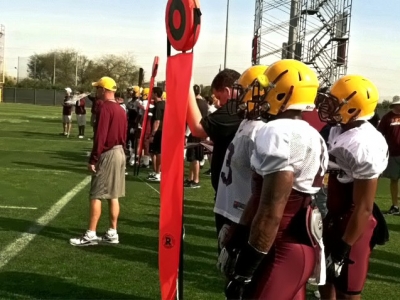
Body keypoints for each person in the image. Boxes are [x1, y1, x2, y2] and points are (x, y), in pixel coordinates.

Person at [223, 59, 328, 300]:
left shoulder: (277, 131)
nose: (262, 93)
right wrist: (239, 234)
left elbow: (271, 210)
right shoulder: (311, 132)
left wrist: (243, 273)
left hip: (279, 248)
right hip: (299, 245)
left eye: (268, 87)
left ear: (286, 91)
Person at [316, 75, 388, 299]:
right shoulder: (341, 129)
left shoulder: (363, 143)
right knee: (324, 278)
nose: (329, 105)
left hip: (353, 220)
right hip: (333, 213)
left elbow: (364, 207)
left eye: (336, 102)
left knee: (348, 289)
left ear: (355, 109)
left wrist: (345, 244)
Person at [214, 65, 268, 254]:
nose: (239, 97)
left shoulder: (260, 130)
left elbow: (262, 187)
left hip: (241, 213)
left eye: (244, 91)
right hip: (228, 205)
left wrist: (241, 225)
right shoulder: (246, 122)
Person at [70, 76, 127, 246]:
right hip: (120, 152)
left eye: (98, 88)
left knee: (96, 194)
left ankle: (91, 234)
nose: (96, 91)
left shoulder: (105, 108)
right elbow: (123, 135)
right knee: (113, 195)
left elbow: (100, 136)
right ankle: (112, 232)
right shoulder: (120, 109)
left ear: (104, 90)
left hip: (108, 153)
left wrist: (93, 158)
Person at [186, 68, 242, 237]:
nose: (218, 103)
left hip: (233, 194)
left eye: (219, 97)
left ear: (227, 90)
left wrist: (186, 87)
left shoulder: (235, 108)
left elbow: (197, 128)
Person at [378, 96, 400, 215]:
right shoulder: (387, 118)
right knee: (394, 180)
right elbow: (380, 135)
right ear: (395, 105)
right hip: (393, 153)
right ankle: (395, 205)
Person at [184, 85, 209, 188]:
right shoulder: (204, 103)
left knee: (194, 157)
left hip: (194, 132)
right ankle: (191, 178)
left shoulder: (195, 104)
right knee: (193, 157)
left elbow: (192, 120)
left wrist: (186, 135)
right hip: (201, 131)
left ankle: (195, 180)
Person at [147, 87, 166, 182]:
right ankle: (156, 172)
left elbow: (157, 121)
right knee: (153, 151)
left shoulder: (159, 105)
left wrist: (153, 134)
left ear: (155, 94)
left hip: (159, 131)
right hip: (162, 131)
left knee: (158, 152)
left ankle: (158, 173)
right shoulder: (163, 104)